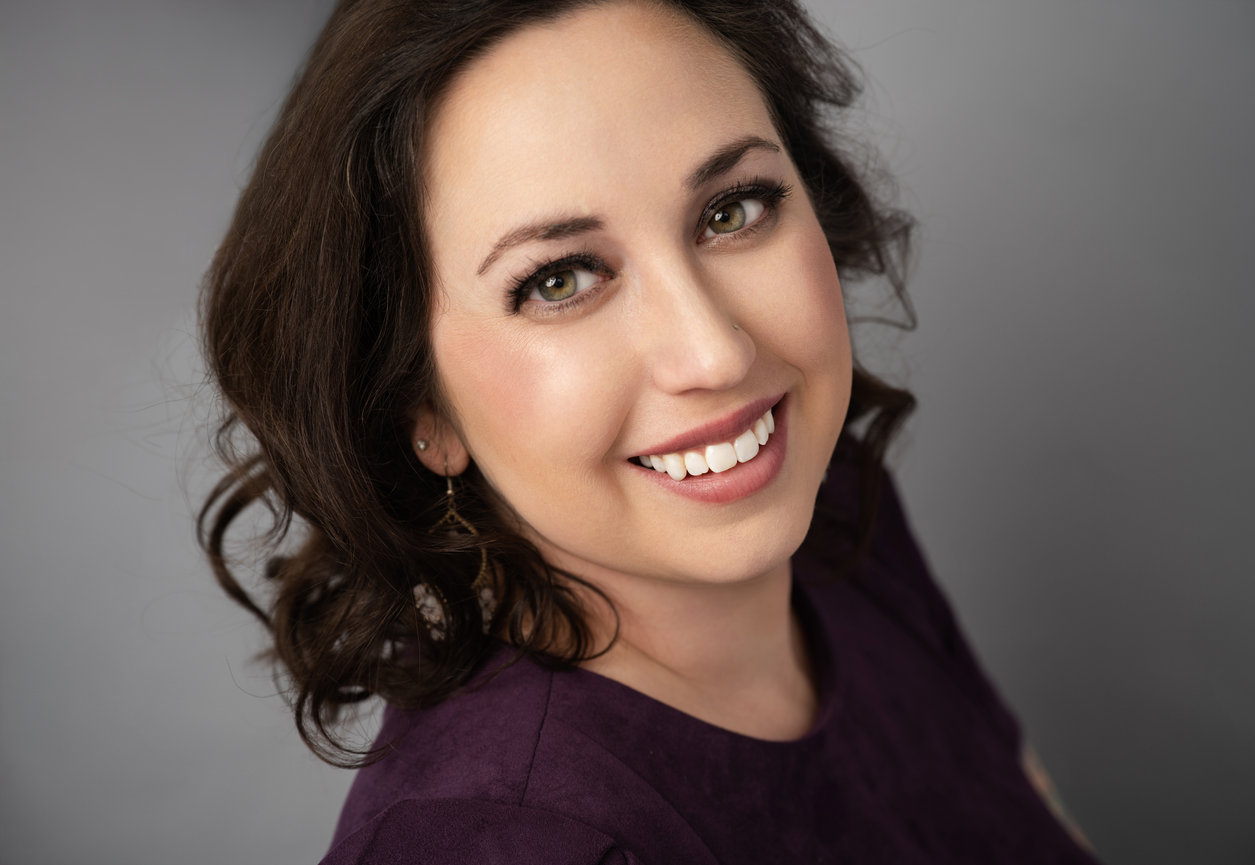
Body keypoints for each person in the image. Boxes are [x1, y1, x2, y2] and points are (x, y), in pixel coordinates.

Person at [200, 0, 1100, 862]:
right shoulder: (503, 843)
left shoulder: (839, 512)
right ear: (419, 411)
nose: (713, 351)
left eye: (732, 208)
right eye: (559, 280)